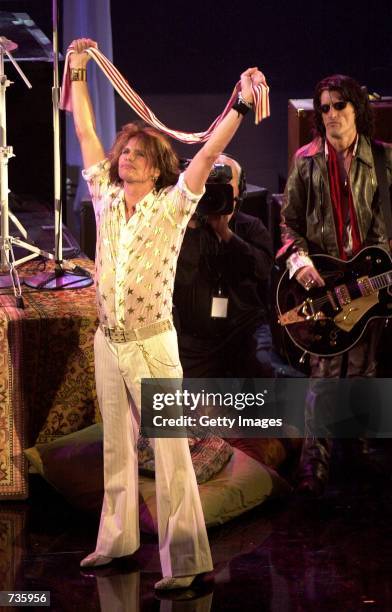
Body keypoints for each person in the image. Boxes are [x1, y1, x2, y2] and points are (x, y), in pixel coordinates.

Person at [67, 37, 267, 589]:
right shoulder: (106, 197)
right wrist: (77, 70)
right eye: (123, 150)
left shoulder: (173, 203)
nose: (124, 155)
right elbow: (84, 130)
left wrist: (242, 106)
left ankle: (185, 561)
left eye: (136, 153)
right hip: (109, 338)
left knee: (173, 454)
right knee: (116, 444)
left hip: (153, 343)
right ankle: (117, 541)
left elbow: (205, 154)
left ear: (155, 169)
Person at [279, 74, 392, 497]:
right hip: (324, 283)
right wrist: (299, 260)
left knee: (363, 369)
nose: (330, 114)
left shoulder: (384, 159)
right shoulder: (305, 160)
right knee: (324, 372)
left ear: (357, 109)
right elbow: (289, 222)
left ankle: (357, 452)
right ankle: (315, 465)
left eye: (339, 105)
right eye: (323, 107)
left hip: (373, 283)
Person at [174, 154, 274, 378]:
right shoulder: (183, 227)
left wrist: (226, 234)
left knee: (264, 369)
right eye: (212, 181)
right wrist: (192, 225)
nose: (218, 188)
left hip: (244, 331)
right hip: (196, 339)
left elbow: (262, 269)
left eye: (226, 182)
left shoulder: (251, 226)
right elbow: (181, 278)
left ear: (240, 190)